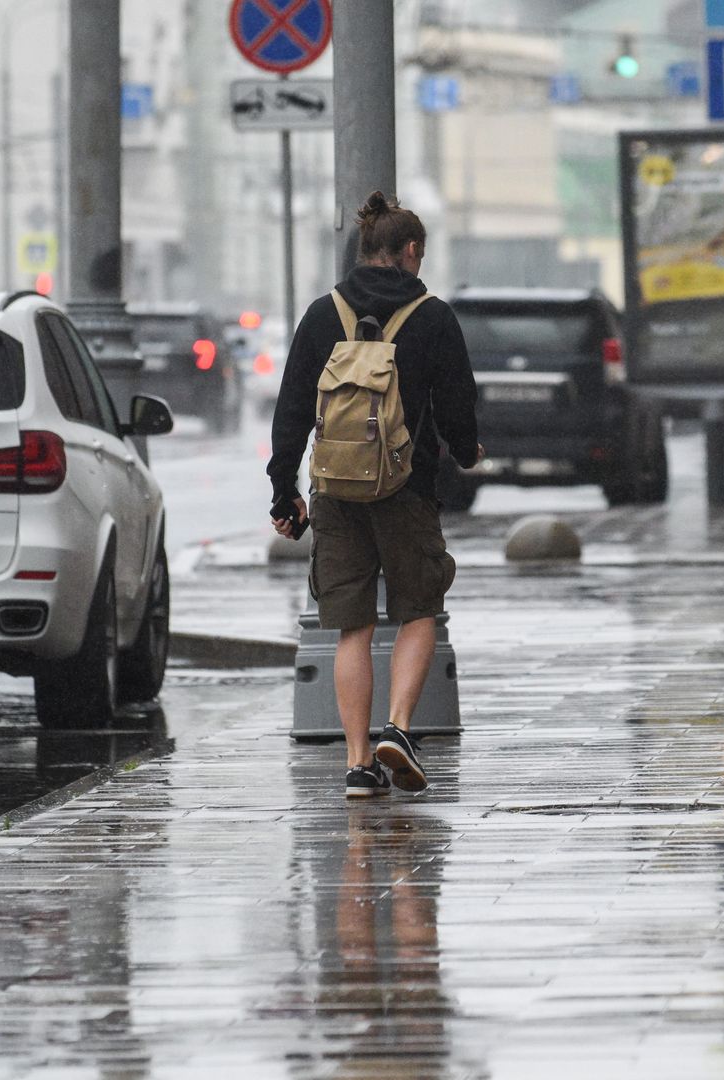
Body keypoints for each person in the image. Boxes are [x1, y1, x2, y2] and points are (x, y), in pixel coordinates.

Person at [268, 191, 480, 799]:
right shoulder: (433, 316)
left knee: (350, 627)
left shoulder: (320, 315)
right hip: (407, 485)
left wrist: (286, 494)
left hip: (335, 489)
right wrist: (466, 453)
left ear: (363, 249)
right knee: (419, 609)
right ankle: (401, 728)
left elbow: (291, 412)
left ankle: (359, 763)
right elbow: (457, 405)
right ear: (412, 251)